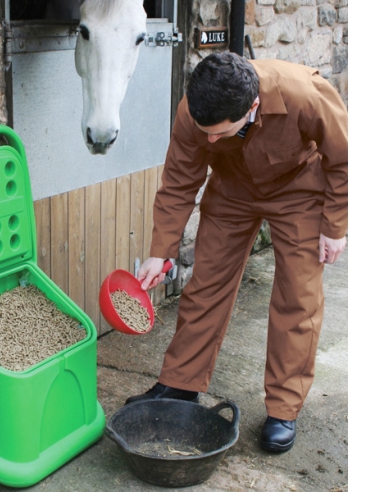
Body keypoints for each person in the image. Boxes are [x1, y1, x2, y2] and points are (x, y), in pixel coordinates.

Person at [126, 52, 348, 453]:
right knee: (206, 283)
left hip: (299, 190)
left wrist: (335, 226)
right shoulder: (192, 110)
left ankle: (283, 407)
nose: (210, 140)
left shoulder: (304, 94)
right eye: (204, 131)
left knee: (298, 296)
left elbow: (346, 158)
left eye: (220, 133)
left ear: (253, 107)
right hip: (232, 190)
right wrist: (161, 252)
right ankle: (181, 383)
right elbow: (179, 181)